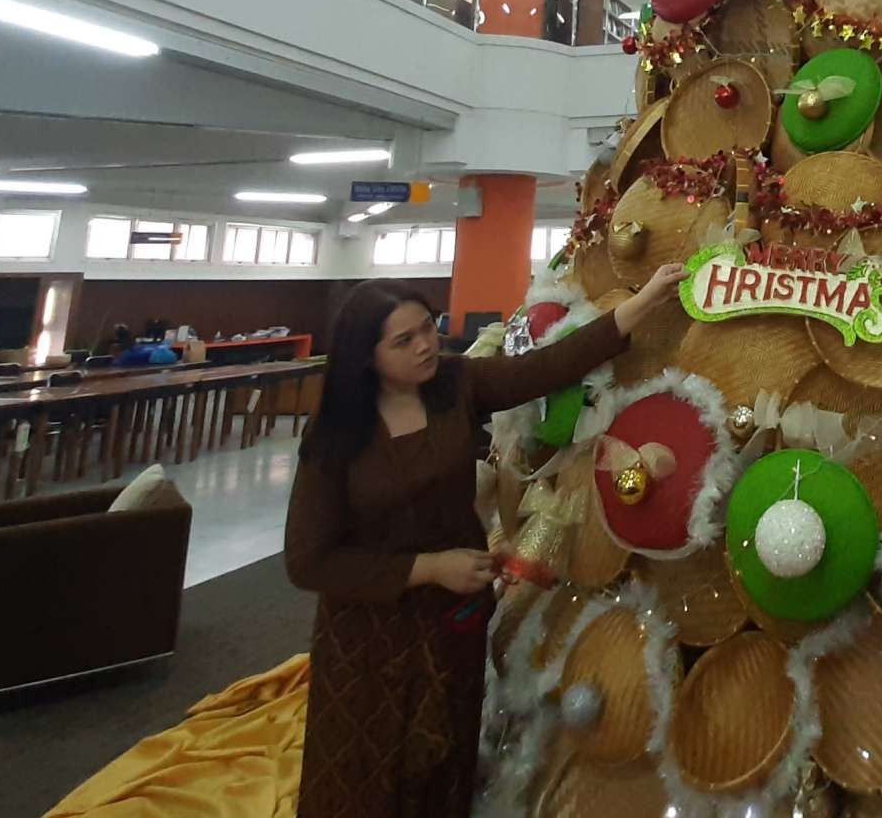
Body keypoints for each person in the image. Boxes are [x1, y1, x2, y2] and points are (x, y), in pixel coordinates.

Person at [284, 264, 683, 817]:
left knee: (445, 759)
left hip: (453, 624)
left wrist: (649, 297)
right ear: (365, 356)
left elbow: (550, 366)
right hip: (371, 643)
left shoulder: (455, 386)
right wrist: (428, 568)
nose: (426, 345)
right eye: (405, 340)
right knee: (365, 778)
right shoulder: (336, 433)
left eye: (428, 327)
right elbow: (308, 561)